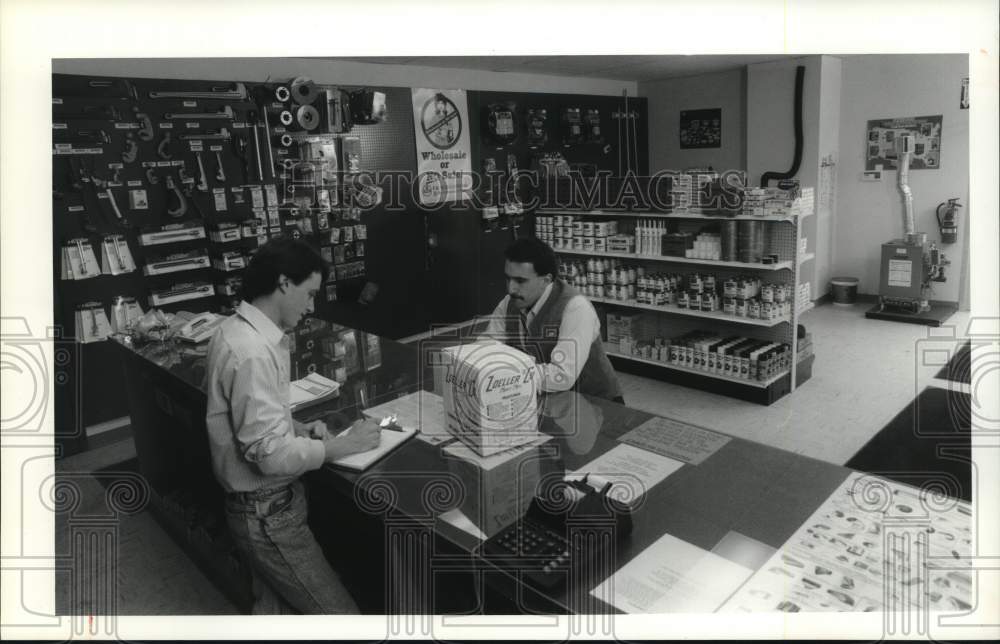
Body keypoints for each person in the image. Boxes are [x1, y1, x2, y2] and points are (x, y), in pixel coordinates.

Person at [204, 236, 382, 614]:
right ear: (284, 283)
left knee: (274, 614)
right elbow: (268, 457)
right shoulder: (252, 350)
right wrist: (342, 446)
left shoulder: (236, 331)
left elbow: (250, 423)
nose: (312, 306)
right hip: (267, 516)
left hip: (255, 511)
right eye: (310, 293)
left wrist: (294, 428)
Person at [482, 237, 624, 403]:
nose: (511, 288)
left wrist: (506, 377)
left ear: (546, 280)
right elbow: (488, 345)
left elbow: (562, 375)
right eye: (508, 278)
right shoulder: (509, 303)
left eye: (520, 281)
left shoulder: (575, 308)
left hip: (596, 403)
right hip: (550, 401)